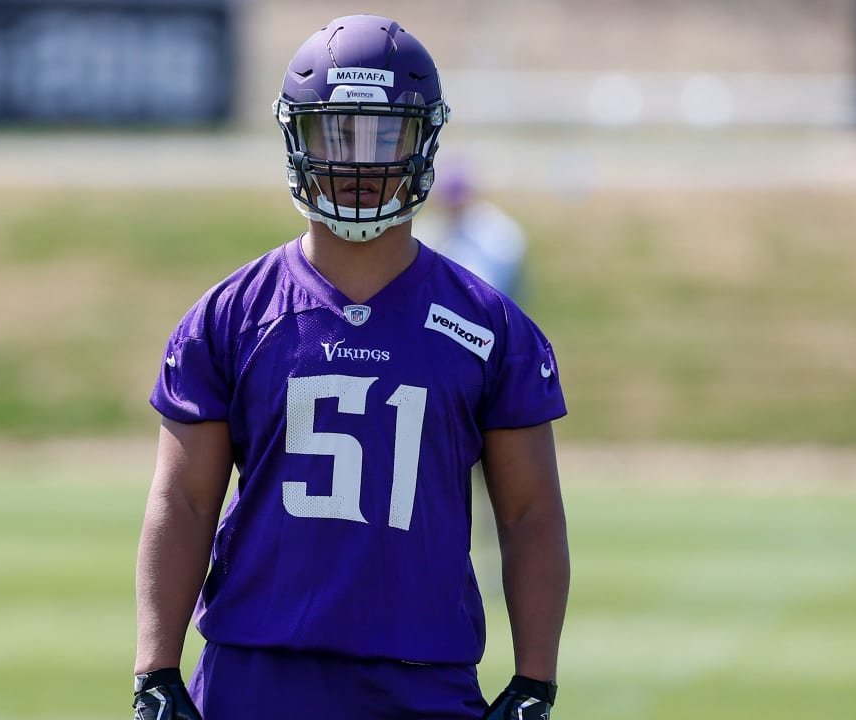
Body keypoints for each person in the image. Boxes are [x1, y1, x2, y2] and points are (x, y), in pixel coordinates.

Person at [133, 14, 569, 720]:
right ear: (295, 137)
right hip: (255, 676)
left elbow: (530, 514)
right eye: (336, 132)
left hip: (422, 679)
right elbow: (182, 501)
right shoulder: (231, 316)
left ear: (423, 139)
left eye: (383, 133)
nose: (360, 161)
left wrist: (534, 680)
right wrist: (155, 668)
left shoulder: (489, 327)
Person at [415, 160, 529, 304]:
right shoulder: (428, 229)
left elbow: (504, 280)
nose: (454, 207)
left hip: (490, 307)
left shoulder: (497, 229)